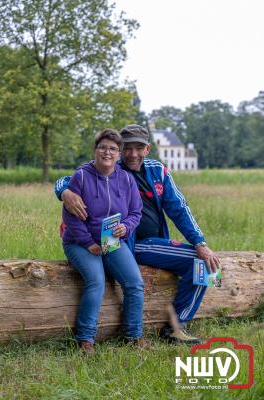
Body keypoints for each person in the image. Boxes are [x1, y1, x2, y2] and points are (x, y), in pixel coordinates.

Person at [56, 124, 220, 345]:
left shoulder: (157, 171)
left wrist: (199, 242)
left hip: (152, 241)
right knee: (198, 262)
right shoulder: (112, 164)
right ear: (121, 150)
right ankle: (174, 328)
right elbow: (70, 179)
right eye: (128, 148)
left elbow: (179, 208)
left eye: (139, 148)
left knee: (206, 264)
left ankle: (178, 322)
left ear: (147, 149)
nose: (133, 154)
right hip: (131, 243)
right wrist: (64, 191)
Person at [62, 128, 145, 354]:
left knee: (135, 283)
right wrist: (89, 243)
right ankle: (86, 340)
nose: (107, 152)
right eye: (103, 147)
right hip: (80, 242)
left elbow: (136, 212)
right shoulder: (81, 176)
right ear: (95, 150)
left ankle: (133, 336)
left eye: (113, 149)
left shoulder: (126, 179)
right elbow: (70, 216)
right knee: (96, 281)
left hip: (112, 241)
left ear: (119, 154)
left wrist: (125, 227)